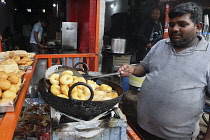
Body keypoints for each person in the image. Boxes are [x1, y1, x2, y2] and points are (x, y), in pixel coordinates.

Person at [118, 2, 210, 139]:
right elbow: (144, 67)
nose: (174, 29)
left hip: (177, 136)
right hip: (142, 127)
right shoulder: (161, 44)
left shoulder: (207, 55)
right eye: (172, 24)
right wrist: (132, 68)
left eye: (182, 24)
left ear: (198, 27)